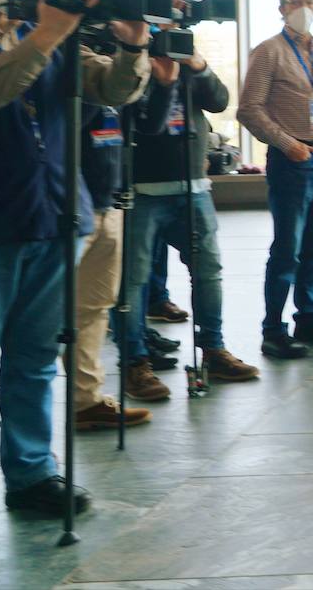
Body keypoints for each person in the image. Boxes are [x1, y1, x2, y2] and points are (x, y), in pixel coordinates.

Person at [0, 0, 149, 515]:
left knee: (34, 358)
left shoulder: (40, 31)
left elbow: (111, 89)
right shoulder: (42, 33)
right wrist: (47, 35)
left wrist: (132, 47)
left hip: (55, 216)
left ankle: (32, 474)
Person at [118, 41, 261, 399]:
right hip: (142, 189)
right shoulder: (129, 61)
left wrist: (199, 66)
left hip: (193, 188)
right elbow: (138, 117)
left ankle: (213, 349)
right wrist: (155, 73)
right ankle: (134, 363)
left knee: (208, 272)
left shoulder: (187, 66)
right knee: (133, 281)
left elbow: (219, 101)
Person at [238, 0, 313, 359]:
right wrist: (288, 144)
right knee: (288, 248)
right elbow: (249, 109)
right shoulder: (268, 51)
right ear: (282, 8)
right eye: (295, 1)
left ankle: (309, 316)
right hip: (293, 160)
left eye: (309, 1)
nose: (303, 8)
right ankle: (273, 329)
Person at [68, 101, 152, 430]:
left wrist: (164, 85)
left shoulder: (117, 82)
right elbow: (64, 124)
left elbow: (151, 124)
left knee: (95, 308)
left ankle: (85, 402)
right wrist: (96, 92)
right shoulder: (74, 75)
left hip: (111, 202)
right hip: (70, 206)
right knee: (48, 313)